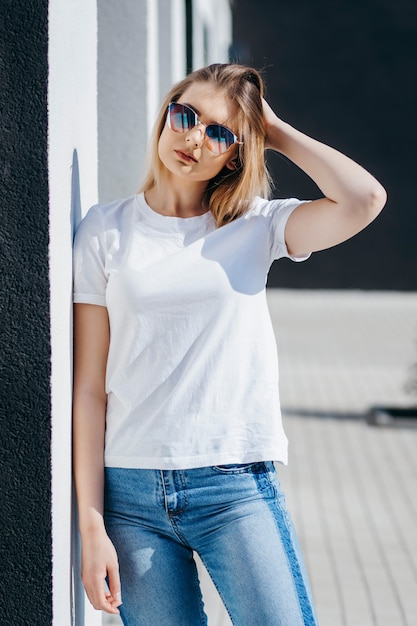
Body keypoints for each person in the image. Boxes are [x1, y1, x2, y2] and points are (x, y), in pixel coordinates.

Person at [72, 63, 386, 625]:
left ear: (237, 155)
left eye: (220, 132)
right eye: (186, 115)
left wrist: (276, 130)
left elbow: (364, 200)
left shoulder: (254, 225)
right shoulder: (104, 230)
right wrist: (91, 524)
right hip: (131, 494)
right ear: (167, 113)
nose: (194, 137)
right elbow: (89, 388)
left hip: (233, 487)